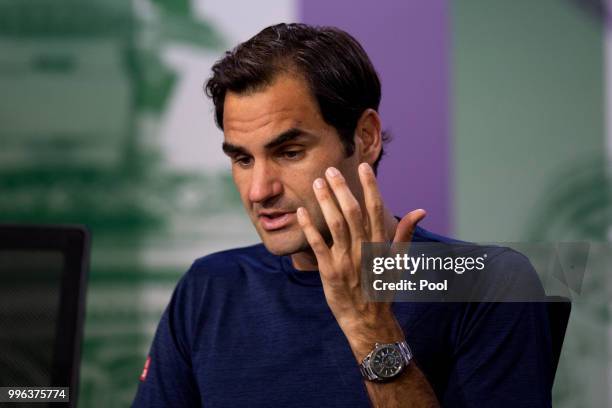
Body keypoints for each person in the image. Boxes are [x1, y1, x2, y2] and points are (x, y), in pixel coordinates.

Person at [132, 23, 553, 407]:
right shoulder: (209, 285)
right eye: (242, 159)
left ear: (365, 138)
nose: (260, 190)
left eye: (290, 152)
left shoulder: (488, 282)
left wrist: (371, 328)